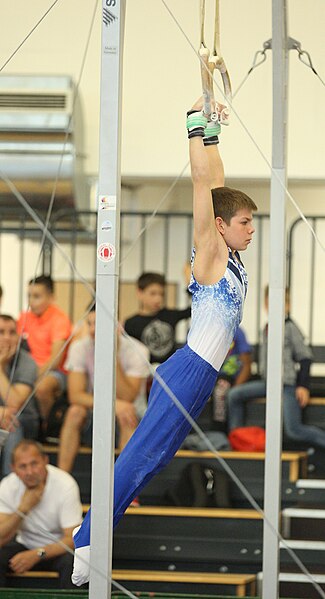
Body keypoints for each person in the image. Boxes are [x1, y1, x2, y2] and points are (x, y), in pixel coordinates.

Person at [72, 96, 257, 585]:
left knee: (153, 460)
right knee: (141, 455)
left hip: (198, 374)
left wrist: (215, 135)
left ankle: (94, 534)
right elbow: (204, 185)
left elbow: (217, 182)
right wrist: (194, 124)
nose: (252, 229)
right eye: (245, 222)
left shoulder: (232, 259)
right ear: (220, 227)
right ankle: (87, 539)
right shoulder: (211, 254)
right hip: (191, 368)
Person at [227, 286, 325, 448]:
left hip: (286, 385)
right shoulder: (266, 328)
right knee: (234, 395)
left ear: (287, 305)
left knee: (294, 430)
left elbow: (305, 357)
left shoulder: (290, 327)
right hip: (267, 383)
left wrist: (302, 385)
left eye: (282, 302)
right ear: (266, 304)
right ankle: (238, 438)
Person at [57, 304, 150, 473]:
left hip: (132, 414)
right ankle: (61, 480)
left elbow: (127, 397)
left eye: (98, 324)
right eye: (89, 324)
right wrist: (112, 405)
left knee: (126, 414)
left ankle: (127, 492)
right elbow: (75, 396)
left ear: (116, 325)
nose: (93, 330)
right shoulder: (80, 347)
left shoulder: (138, 350)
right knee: (74, 412)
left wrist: (111, 355)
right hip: (97, 412)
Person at [0, 440, 82, 588]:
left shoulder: (65, 484)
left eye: (34, 464)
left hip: (58, 549)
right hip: (24, 544)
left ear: (45, 460)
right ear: (13, 469)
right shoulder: (7, 486)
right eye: (22, 467)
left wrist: (37, 554)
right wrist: (23, 509)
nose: (30, 472)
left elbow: (73, 539)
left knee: (73, 564)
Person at [17, 275, 72, 433]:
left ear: (51, 297)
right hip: (30, 370)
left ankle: (46, 427)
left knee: (41, 388)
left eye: (37, 296)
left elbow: (55, 360)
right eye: (29, 296)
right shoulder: (24, 317)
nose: (31, 301)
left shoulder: (59, 319)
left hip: (56, 372)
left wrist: (30, 377)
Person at [124, 272, 191, 365]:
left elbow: (193, 310)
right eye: (153, 293)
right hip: (144, 372)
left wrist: (190, 285)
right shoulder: (130, 323)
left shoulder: (170, 315)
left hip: (170, 368)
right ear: (139, 293)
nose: (158, 299)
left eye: (161, 294)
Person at [0, 314, 39, 475]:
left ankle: (7, 489)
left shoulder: (27, 362)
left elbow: (14, 402)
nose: (7, 338)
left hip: (23, 421)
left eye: (12, 332)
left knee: (11, 423)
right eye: (1, 332)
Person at [212, 326, 252, 429]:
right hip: (208, 375)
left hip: (229, 377)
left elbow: (247, 366)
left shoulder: (237, 332)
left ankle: (219, 431)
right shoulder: (200, 329)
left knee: (220, 391)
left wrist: (235, 389)